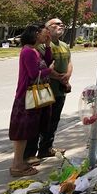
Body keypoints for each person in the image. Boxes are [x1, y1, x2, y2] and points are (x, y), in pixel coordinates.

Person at [8, 23, 53, 177]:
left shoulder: (35, 50)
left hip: (33, 95)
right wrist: (50, 71)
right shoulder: (28, 52)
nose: (45, 35)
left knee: (28, 130)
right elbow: (34, 74)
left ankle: (20, 162)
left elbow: (47, 60)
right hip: (25, 96)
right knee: (22, 130)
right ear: (35, 34)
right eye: (42, 33)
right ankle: (17, 165)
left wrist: (47, 45)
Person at [25, 18, 72, 161]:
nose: (60, 25)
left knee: (53, 121)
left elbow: (69, 63)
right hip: (44, 90)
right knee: (38, 122)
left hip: (60, 90)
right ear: (47, 29)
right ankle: (30, 153)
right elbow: (43, 66)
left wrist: (67, 78)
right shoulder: (41, 46)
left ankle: (46, 149)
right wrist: (59, 77)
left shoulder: (64, 45)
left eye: (62, 24)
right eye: (56, 24)